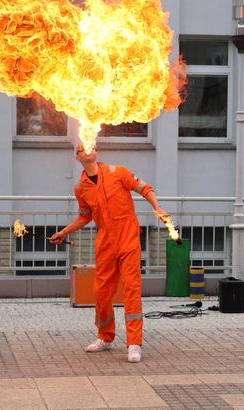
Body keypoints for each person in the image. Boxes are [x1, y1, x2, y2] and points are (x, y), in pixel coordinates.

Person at [50, 144, 168, 363]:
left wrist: (157, 207)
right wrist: (65, 232)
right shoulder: (81, 188)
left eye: (91, 146)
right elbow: (85, 216)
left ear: (97, 153)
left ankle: (134, 343)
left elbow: (145, 188)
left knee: (132, 289)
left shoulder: (118, 172)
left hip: (128, 238)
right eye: (82, 148)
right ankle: (105, 336)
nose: (88, 149)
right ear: (78, 158)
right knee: (101, 292)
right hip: (105, 243)